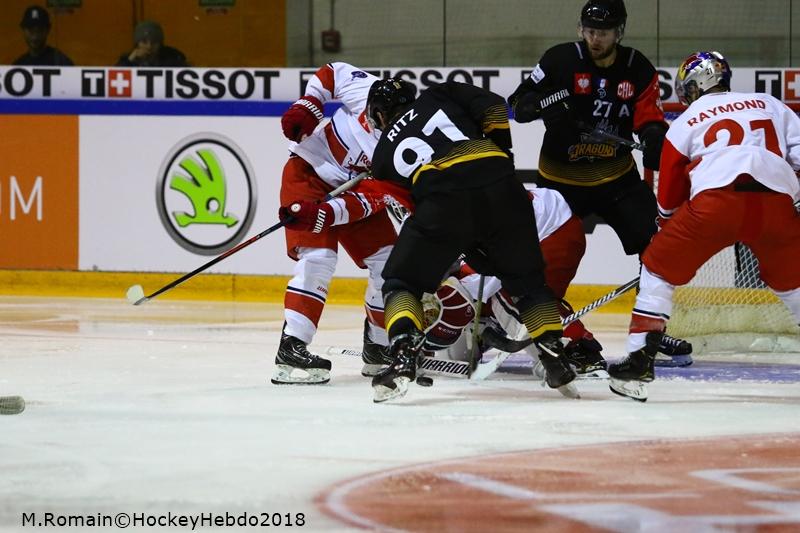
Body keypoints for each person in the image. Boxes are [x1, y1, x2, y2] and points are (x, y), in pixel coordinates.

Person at [364, 78, 579, 403]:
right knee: (529, 285)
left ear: (380, 115)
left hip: (444, 200)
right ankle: (554, 358)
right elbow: (493, 106)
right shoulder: (440, 93)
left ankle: (404, 355)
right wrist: (502, 153)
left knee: (400, 284)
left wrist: (459, 245)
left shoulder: (381, 158)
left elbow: (422, 213)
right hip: (504, 187)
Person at [507, 0, 693, 366]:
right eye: (590, 31)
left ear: (619, 32)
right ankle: (543, 323)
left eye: (604, 33)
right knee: (539, 254)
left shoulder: (637, 67)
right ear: (581, 29)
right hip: (559, 183)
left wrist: (654, 137)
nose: (596, 39)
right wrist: (543, 105)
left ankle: (651, 332)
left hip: (616, 180)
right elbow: (516, 105)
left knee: (656, 247)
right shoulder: (560, 60)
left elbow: (649, 119)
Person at [608, 51, 800, 401]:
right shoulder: (769, 104)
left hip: (715, 203)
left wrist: (668, 230)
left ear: (694, 86)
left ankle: (638, 360)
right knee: (795, 285)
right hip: (775, 202)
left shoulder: (685, 120)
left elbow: (668, 195)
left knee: (656, 267)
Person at [272, 63, 397, 385]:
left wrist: (327, 213)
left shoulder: (402, 149)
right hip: (308, 173)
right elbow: (333, 72)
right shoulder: (367, 91)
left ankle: (378, 347)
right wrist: (310, 103)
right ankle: (291, 347)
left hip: (355, 195)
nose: (376, 121)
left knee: (389, 263)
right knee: (318, 257)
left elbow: (373, 198)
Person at [419, 185, 607, 378]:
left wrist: (424, 341)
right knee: (454, 353)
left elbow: (457, 302)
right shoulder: (434, 221)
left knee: (511, 292)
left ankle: (577, 350)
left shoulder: (461, 218)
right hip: (511, 233)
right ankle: (491, 325)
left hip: (550, 232)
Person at [116, 21, 188, 67]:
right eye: (144, 42)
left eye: (154, 42)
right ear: (137, 43)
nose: (149, 46)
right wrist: (129, 61)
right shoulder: (129, 58)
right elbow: (114, 77)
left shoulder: (172, 57)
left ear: (160, 44)